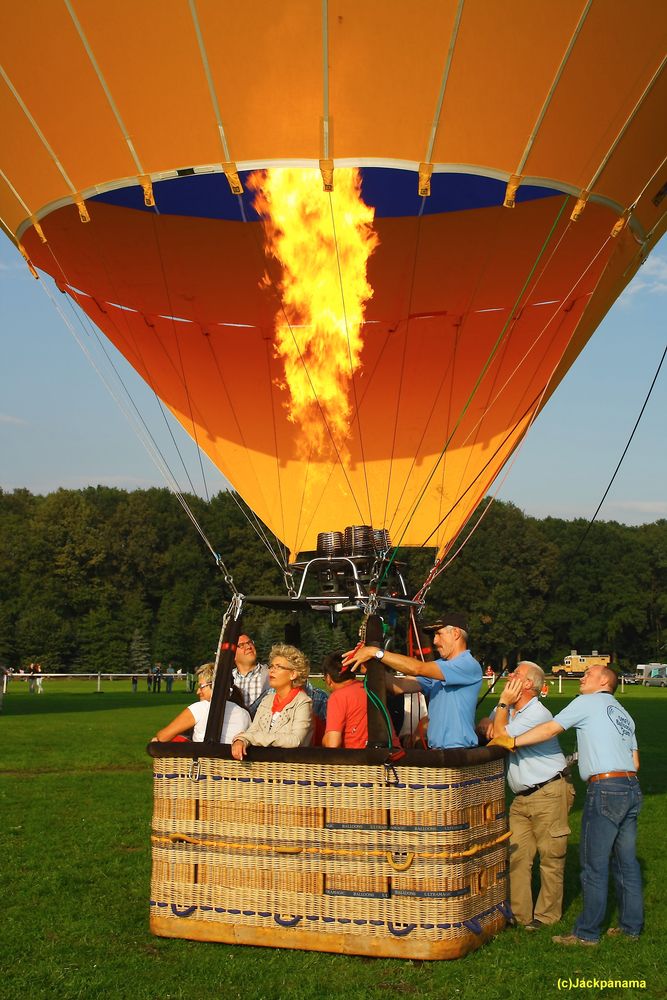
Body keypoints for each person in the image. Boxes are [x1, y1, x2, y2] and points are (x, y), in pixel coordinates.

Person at [490, 662, 642, 946]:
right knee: (626, 863)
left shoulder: (587, 702)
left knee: (593, 864)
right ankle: (631, 927)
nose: (582, 677)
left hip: (605, 787)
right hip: (630, 787)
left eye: (589, 674)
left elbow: (549, 729)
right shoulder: (624, 714)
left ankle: (586, 933)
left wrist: (512, 742)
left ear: (603, 683)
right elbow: (635, 761)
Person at [478, 661, 574, 930]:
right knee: (517, 855)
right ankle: (520, 916)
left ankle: (547, 916)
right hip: (521, 797)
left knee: (551, 856)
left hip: (550, 791)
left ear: (528, 684)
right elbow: (484, 725)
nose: (510, 676)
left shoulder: (537, 714)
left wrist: (501, 707)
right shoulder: (511, 711)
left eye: (516, 674)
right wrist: (496, 715)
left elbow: (498, 736)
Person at [343, 613, 482, 749]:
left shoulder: (467, 665)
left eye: (438, 634)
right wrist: (370, 669)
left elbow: (417, 668)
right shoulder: (441, 667)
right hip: (437, 752)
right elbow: (400, 686)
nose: (435, 641)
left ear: (456, 633)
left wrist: (376, 652)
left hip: (458, 752)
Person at [231, 644, 313, 759]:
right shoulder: (267, 700)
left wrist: (253, 738)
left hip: (290, 771)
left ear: (293, 674)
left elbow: (295, 740)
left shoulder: (303, 702)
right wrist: (241, 740)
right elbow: (253, 730)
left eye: (278, 667)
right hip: (264, 769)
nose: (271, 671)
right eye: (271, 666)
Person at [151, 662, 250, 743]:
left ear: (213, 685)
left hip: (203, 765)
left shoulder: (200, 708)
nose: (198, 691)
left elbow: (163, 736)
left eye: (201, 686)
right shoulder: (244, 714)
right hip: (232, 766)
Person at [232, 634, 269, 715]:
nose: (248, 647)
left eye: (250, 643)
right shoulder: (227, 680)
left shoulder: (270, 676)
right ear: (233, 654)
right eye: (241, 645)